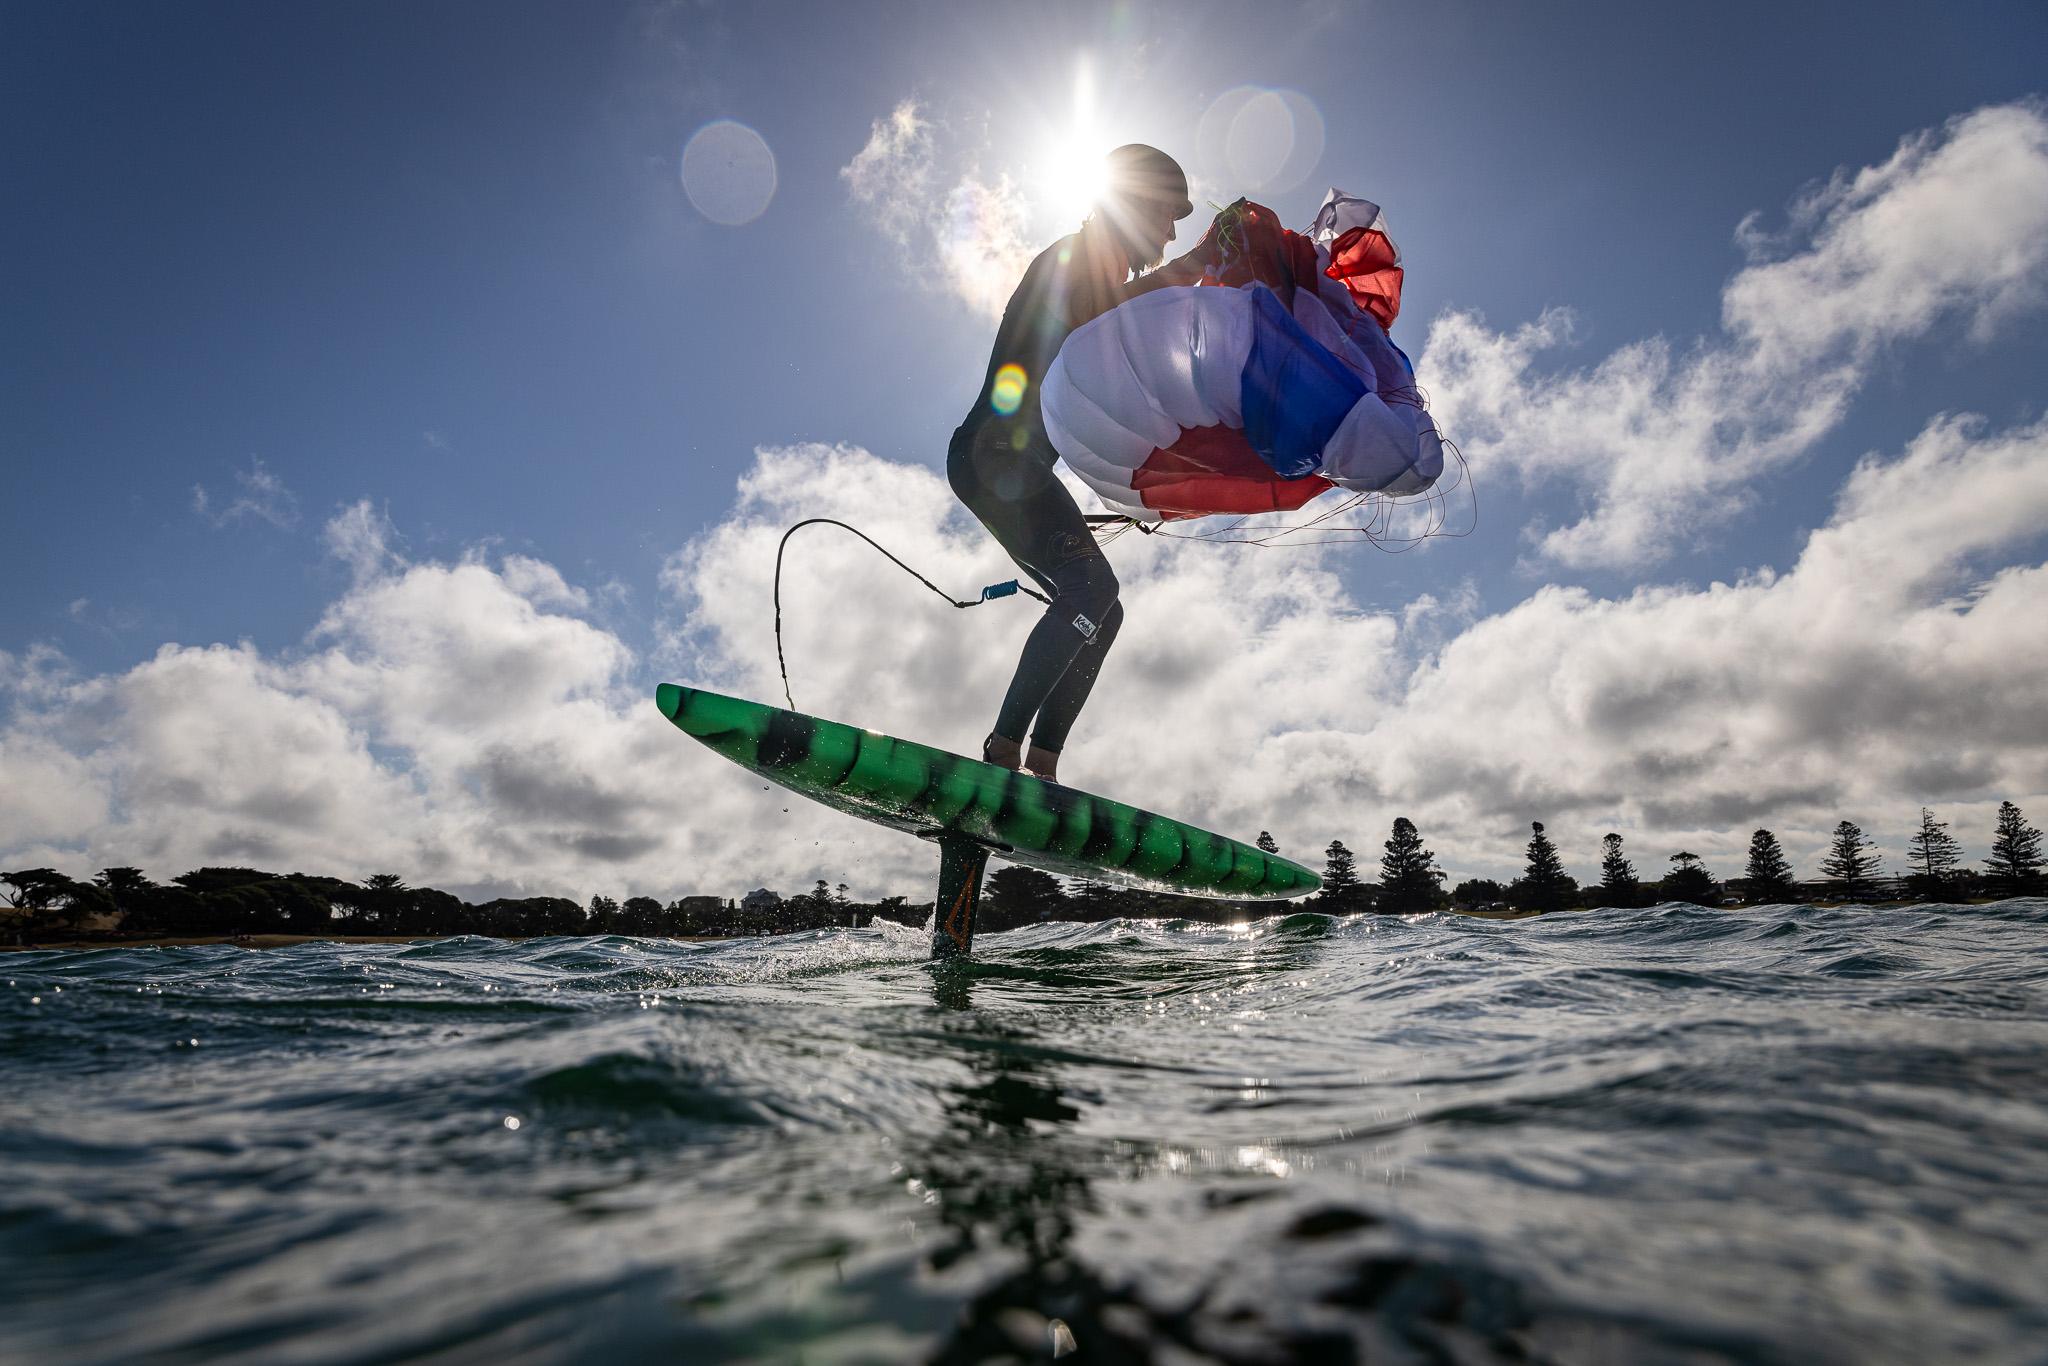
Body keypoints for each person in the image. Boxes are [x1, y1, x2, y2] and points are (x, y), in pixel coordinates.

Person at [948, 144, 1196, 783]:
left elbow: (1117, 398)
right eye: (1167, 215)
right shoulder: (1072, 258)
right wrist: (1205, 266)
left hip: (1017, 467)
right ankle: (1002, 750)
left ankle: (1044, 764)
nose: (1170, 234)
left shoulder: (1104, 284)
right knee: (1092, 589)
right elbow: (1122, 309)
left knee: (1103, 611)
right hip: (993, 458)